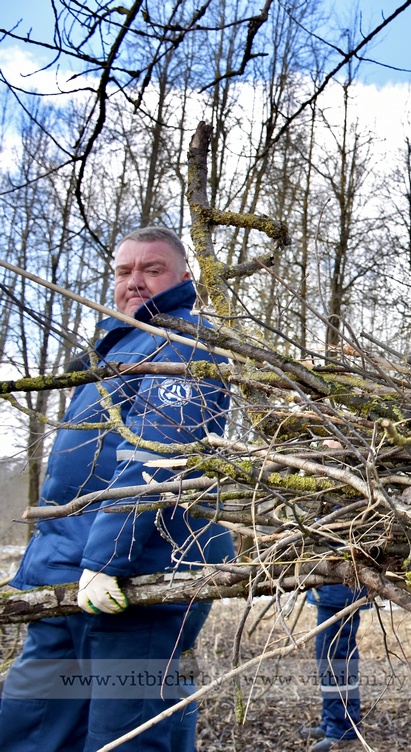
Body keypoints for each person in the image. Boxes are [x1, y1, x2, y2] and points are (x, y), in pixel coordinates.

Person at [0, 227, 235, 752]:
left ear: (183, 278)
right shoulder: (112, 348)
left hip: (139, 574)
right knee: (30, 727)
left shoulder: (185, 341)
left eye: (152, 270)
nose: (137, 282)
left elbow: (157, 454)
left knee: (126, 737)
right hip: (64, 576)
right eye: (125, 271)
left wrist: (110, 559)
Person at [297, 584, 366, 751]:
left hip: (339, 595)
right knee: (328, 661)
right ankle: (330, 723)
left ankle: (341, 729)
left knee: (336, 660)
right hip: (332, 595)